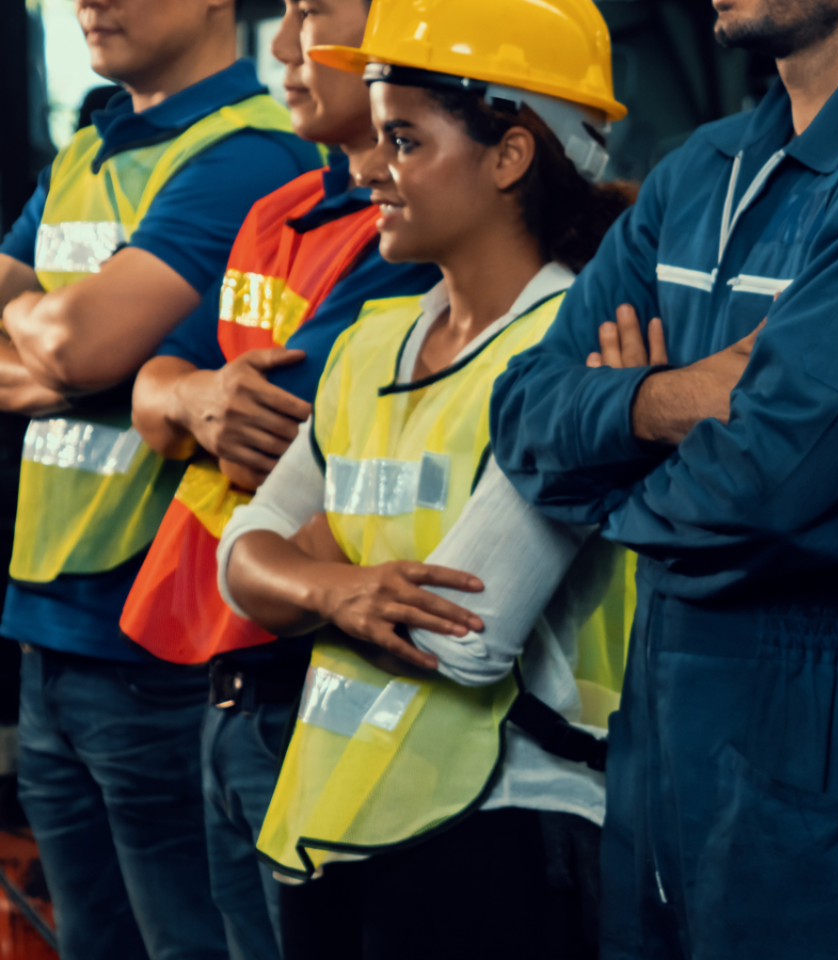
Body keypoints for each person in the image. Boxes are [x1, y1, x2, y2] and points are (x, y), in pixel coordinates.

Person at [485, 0, 838, 955]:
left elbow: (773, 489)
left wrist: (613, 453)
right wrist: (668, 404)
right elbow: (523, 417)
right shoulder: (704, 168)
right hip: (662, 722)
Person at [215, 0, 637, 956]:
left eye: (401, 139)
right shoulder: (369, 346)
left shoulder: (578, 353)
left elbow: (465, 639)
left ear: (510, 155)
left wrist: (312, 569)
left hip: (509, 829)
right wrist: (347, 587)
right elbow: (241, 557)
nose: (366, 167)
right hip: (335, 816)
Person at [121, 0, 441, 955]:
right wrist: (186, 398)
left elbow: (275, 423)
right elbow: (155, 384)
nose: (289, 45)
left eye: (317, 13)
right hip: (221, 666)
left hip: (314, 681)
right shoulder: (276, 213)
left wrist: (188, 400)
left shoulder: (410, 245)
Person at [0, 0, 319, 954]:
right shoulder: (88, 149)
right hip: (48, 632)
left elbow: (79, 339)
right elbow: (64, 347)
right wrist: (64, 352)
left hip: (158, 644)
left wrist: (63, 339)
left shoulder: (246, 155)